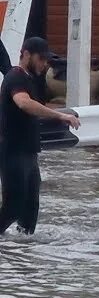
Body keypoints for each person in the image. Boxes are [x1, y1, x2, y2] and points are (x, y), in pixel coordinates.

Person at [0, 38, 81, 236]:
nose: (44, 64)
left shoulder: (30, 79)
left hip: (29, 152)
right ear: (26, 54)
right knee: (13, 207)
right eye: (41, 59)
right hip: (13, 152)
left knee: (30, 209)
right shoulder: (15, 77)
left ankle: (23, 258)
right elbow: (23, 103)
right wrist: (60, 115)